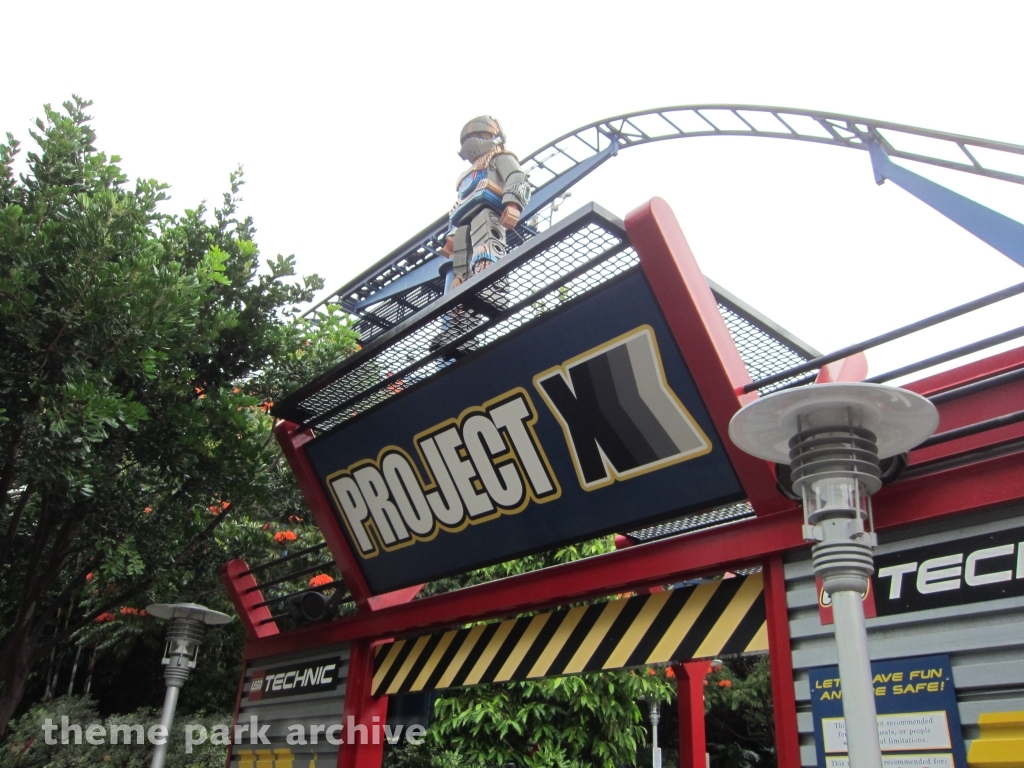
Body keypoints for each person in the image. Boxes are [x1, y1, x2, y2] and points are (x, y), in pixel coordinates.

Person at [441, 116, 531, 290]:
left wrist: (513, 203)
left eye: (480, 135)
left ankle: (488, 266)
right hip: (465, 214)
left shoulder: (499, 158)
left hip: (488, 209)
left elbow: (517, 177)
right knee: (461, 238)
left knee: (485, 229)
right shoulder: (465, 177)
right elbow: (459, 201)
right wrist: (450, 235)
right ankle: (461, 279)